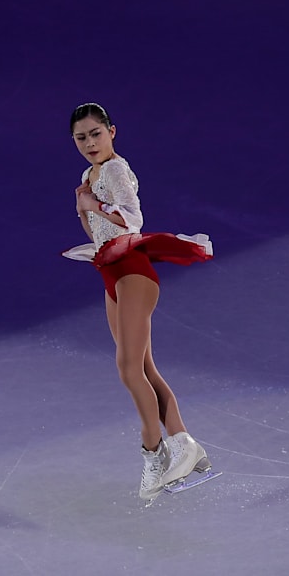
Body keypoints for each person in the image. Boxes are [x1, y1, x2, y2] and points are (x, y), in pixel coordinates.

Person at [62, 102, 215, 502]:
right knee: (143, 368)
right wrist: (84, 206)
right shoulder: (88, 175)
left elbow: (132, 219)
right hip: (110, 275)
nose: (90, 142)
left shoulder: (113, 169)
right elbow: (95, 230)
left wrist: (92, 204)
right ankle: (184, 443)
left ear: (112, 131)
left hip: (133, 271)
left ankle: (155, 453)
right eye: (82, 137)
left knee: (129, 370)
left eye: (96, 133)